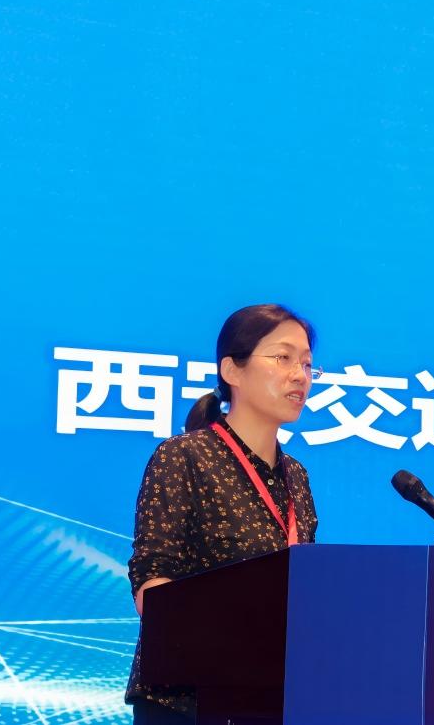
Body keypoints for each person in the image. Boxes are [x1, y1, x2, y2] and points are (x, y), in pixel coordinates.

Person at [124, 304, 322, 724]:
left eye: (307, 364)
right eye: (283, 358)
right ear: (232, 370)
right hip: (187, 702)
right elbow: (152, 580)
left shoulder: (297, 477)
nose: (299, 375)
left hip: (271, 700)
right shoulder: (184, 456)